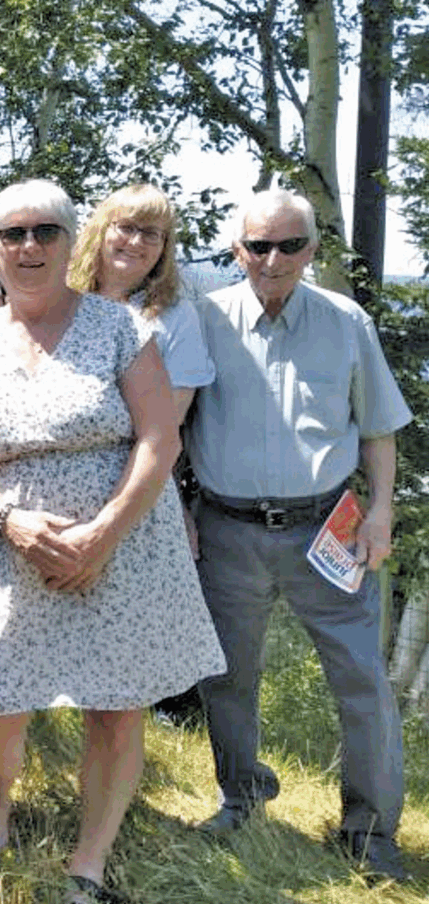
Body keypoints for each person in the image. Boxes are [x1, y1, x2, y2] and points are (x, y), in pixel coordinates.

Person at [0, 179, 226, 903]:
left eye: (45, 232)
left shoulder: (121, 328)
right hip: (14, 545)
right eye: (13, 234)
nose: (29, 247)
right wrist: (10, 522)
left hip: (124, 547)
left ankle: (87, 863)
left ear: (70, 243)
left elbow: (161, 438)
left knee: (115, 706)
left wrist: (104, 533)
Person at [186, 188, 410, 883]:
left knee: (363, 681)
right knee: (228, 678)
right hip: (227, 529)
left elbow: (377, 427)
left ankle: (369, 832)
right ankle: (242, 795)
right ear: (237, 250)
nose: (272, 259)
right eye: (258, 246)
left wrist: (380, 514)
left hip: (329, 529)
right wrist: (183, 513)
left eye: (289, 245)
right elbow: (173, 424)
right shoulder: (203, 320)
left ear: (312, 250)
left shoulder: (346, 322)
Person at [68, 183, 214, 725]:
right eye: (124, 227)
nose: (134, 241)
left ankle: (113, 775)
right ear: (100, 232)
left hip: (130, 491)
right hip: (48, 491)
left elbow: (163, 428)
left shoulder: (173, 320)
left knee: (118, 651)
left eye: (150, 233)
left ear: (165, 248)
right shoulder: (59, 299)